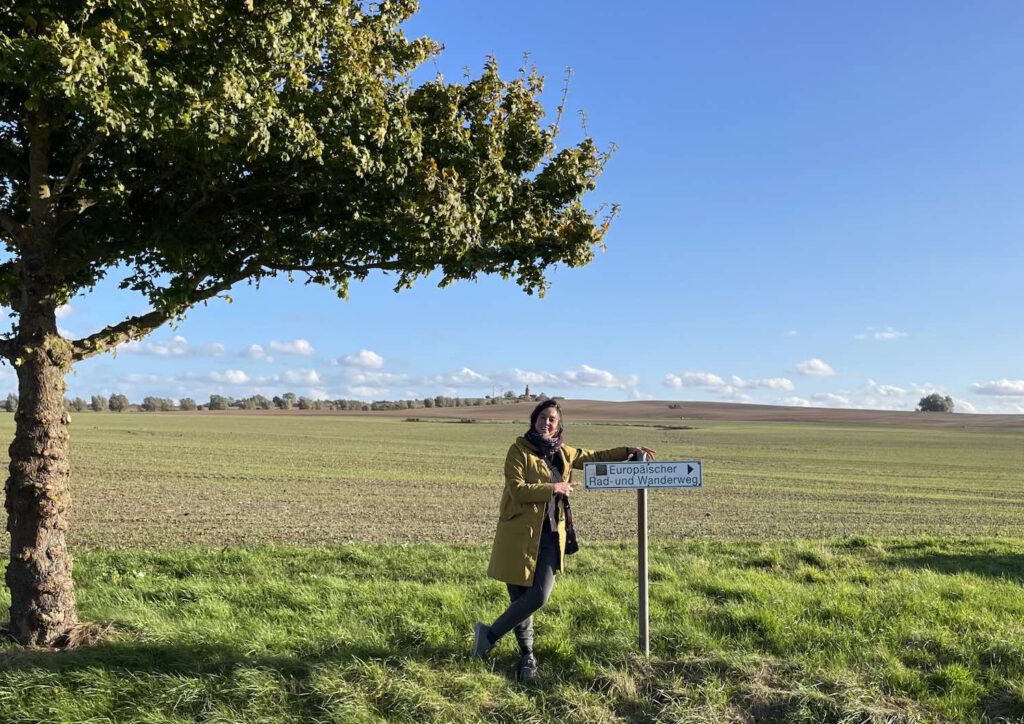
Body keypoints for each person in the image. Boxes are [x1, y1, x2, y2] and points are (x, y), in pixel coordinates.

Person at [472, 399, 655, 681]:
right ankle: (527, 657)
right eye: (543, 417)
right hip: (519, 535)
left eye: (553, 419)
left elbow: (593, 456)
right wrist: (553, 487)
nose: (547, 422)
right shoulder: (518, 451)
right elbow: (517, 490)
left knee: (539, 595)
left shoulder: (564, 453)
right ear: (534, 420)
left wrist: (628, 451)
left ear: (558, 424)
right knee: (521, 600)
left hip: (551, 535)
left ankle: (489, 634)